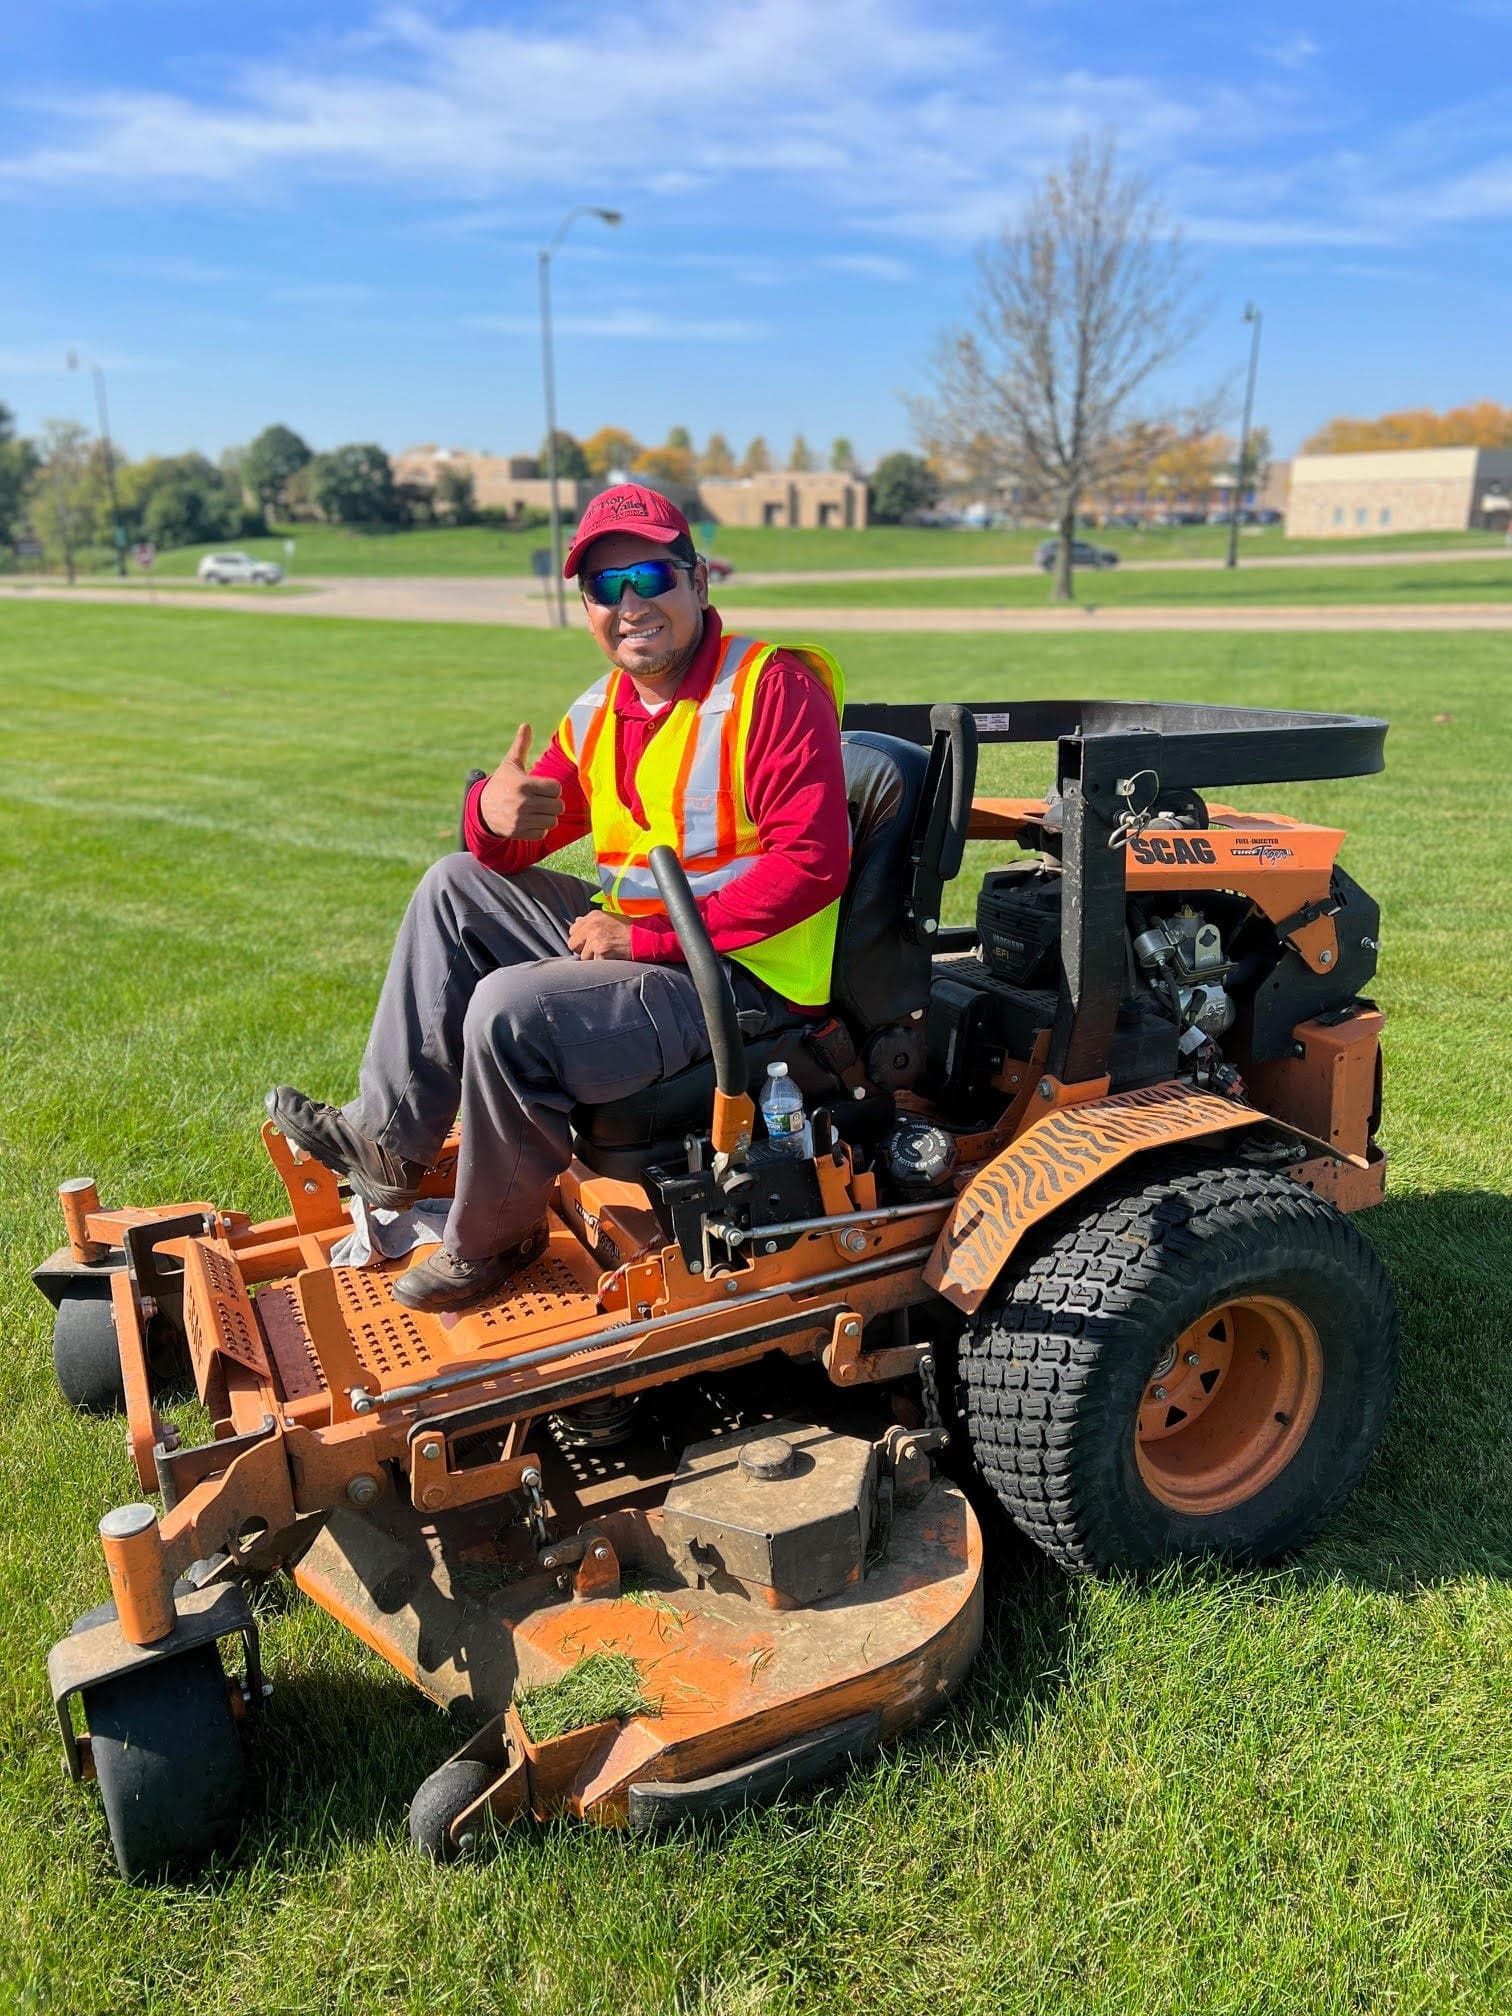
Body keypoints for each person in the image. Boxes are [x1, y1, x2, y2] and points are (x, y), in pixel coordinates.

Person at [267, 483, 851, 1312]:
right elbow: (510, 842)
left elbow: (813, 865)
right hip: (644, 948)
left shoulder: (771, 689)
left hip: (742, 982)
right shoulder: (604, 708)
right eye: (604, 589)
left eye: (649, 576)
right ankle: (390, 1148)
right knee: (452, 888)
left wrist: (643, 943)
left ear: (699, 583)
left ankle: (493, 1240)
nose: (629, 604)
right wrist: (489, 814)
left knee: (512, 1011)